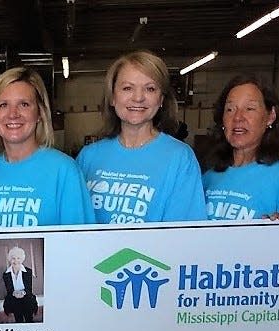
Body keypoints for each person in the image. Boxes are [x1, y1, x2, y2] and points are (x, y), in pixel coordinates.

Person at [76, 51, 207, 224]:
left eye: (150, 88)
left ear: (161, 99)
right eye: (127, 88)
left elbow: (183, 235)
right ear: (112, 97)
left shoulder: (180, 157)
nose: (138, 98)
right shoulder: (89, 157)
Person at [0, 67, 93, 227]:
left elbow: (81, 243)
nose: (13, 114)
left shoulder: (64, 170)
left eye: (24, 104)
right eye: (3, 105)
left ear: (40, 113)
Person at [202, 74, 279, 220]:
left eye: (249, 108)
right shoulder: (208, 178)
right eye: (230, 109)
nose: (238, 117)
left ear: (270, 116)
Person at [2, 246, 39, 322]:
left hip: (26, 297)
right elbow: (9, 291)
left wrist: (23, 292)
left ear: (22, 259)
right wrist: (14, 293)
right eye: (13, 258)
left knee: (29, 317)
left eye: (18, 258)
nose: (16, 261)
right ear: (10, 260)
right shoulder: (6, 274)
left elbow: (29, 289)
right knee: (18, 318)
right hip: (14, 298)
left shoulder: (28, 272)